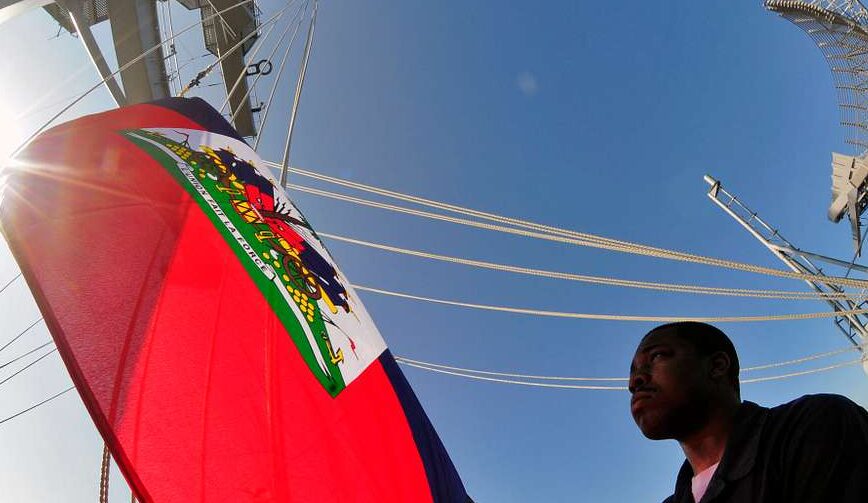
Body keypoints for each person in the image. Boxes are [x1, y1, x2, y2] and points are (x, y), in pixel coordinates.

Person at [628, 321, 868, 502]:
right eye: (633, 371)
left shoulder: (814, 426)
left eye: (657, 356)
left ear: (717, 366)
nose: (634, 381)